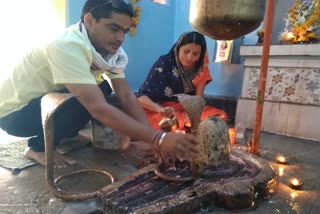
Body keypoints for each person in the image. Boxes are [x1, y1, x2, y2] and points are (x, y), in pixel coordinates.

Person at [0, 0, 199, 168]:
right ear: (89, 20)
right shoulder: (66, 46)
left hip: (42, 102)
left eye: (124, 31)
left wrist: (151, 140)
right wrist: (159, 138)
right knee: (89, 100)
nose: (120, 38)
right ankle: (36, 148)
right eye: (113, 28)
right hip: (14, 115)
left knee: (102, 88)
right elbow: (97, 108)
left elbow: (127, 96)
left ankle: (64, 134)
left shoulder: (110, 54)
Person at [137, 31, 228, 130]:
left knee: (220, 117)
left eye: (195, 54)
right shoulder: (164, 63)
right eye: (186, 51)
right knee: (160, 123)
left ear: (201, 55)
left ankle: (185, 127)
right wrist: (160, 109)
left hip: (187, 110)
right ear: (178, 48)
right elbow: (141, 98)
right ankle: (186, 128)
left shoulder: (201, 68)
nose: (189, 58)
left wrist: (192, 117)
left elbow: (198, 102)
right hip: (161, 110)